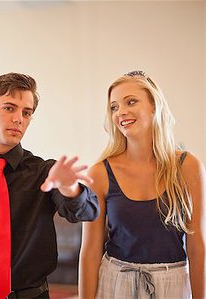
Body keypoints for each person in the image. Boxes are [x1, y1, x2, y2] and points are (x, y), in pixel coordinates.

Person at [0, 72, 99, 298]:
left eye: (27, 113)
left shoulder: (45, 172)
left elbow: (87, 211)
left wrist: (69, 189)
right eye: (10, 108)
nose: (19, 119)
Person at [79, 70, 205, 298]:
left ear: (154, 106)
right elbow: (89, 252)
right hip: (115, 283)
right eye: (114, 107)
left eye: (131, 102)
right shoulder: (99, 173)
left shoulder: (188, 166)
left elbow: (197, 247)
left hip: (174, 284)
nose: (121, 112)